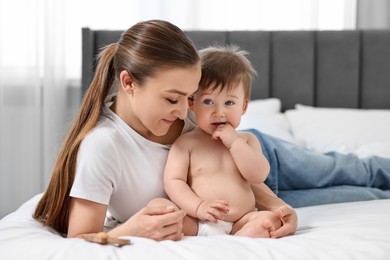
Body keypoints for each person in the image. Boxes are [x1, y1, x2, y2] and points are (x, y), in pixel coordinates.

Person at [33, 19, 297, 240]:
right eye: (172, 99)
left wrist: (280, 207)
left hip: (255, 154)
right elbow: (79, 240)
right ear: (129, 83)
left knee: (337, 171)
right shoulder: (104, 146)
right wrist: (131, 230)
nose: (185, 113)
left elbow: (241, 174)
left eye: (191, 97)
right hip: (222, 206)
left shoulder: (201, 119)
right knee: (334, 192)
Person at [164, 46, 282, 238]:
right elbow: (173, 182)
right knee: (159, 208)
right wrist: (198, 207)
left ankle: (242, 238)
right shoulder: (186, 143)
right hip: (199, 220)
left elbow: (258, 176)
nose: (219, 112)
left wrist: (235, 143)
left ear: (243, 106)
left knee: (271, 218)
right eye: (208, 102)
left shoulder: (247, 140)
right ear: (192, 103)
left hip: (242, 220)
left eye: (229, 103)